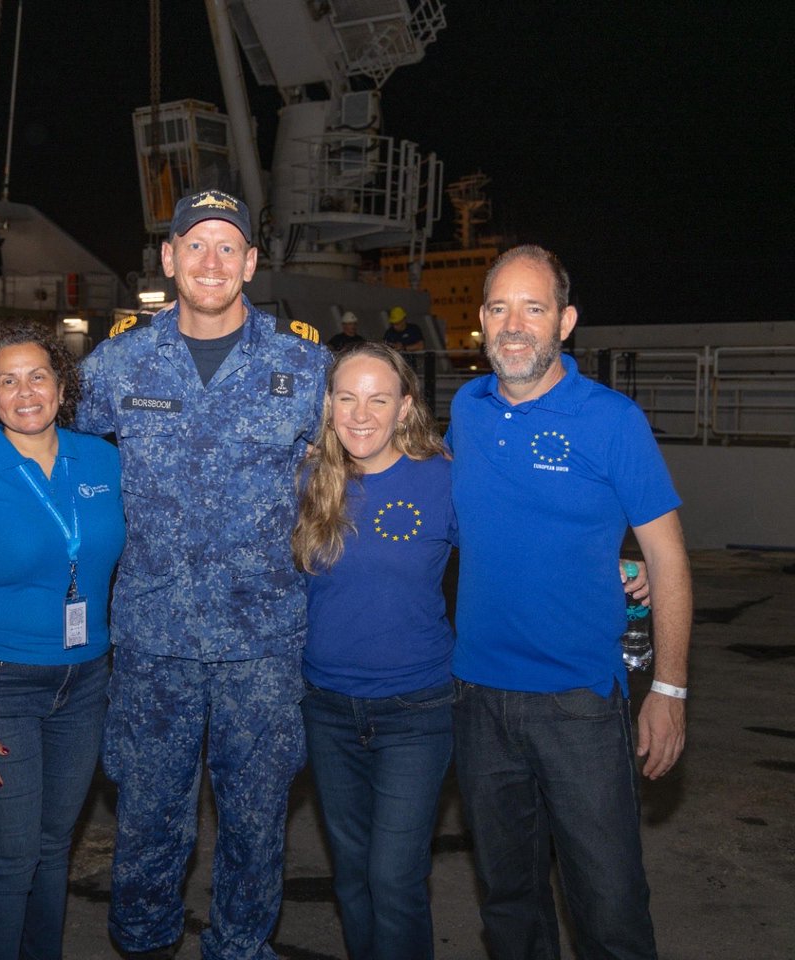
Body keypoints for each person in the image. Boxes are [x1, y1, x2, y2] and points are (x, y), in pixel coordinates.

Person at [77, 188, 331, 960]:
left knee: (255, 827)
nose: (211, 261)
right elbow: (69, 469)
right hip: (154, 640)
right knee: (150, 822)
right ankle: (145, 944)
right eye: (196, 244)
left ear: (252, 261)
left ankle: (240, 950)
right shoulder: (116, 364)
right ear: (168, 258)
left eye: (228, 246)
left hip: (264, 643)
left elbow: (361, 476)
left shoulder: (307, 365)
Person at [447, 244, 692, 959]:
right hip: (478, 700)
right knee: (508, 902)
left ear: (566, 321)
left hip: (580, 704)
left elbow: (670, 560)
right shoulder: (467, 408)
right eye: (498, 307)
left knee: (609, 906)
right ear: (482, 321)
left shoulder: (613, 421)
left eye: (533, 307)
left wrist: (669, 689)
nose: (513, 325)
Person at [0, 322, 125, 960]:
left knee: (53, 849)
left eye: (38, 375)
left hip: (86, 681)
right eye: (7, 380)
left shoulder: (102, 458)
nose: (25, 391)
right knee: (9, 861)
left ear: (63, 387)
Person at [292, 343, 454, 960]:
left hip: (416, 709)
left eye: (379, 399)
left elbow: (516, 542)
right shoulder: (306, 480)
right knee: (353, 878)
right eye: (347, 398)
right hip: (327, 709)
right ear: (328, 406)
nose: (362, 414)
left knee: (393, 875)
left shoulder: (440, 477)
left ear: (405, 406)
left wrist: (621, 565)